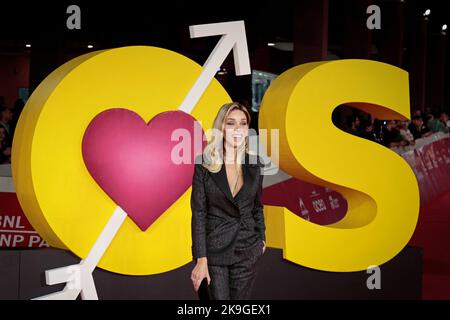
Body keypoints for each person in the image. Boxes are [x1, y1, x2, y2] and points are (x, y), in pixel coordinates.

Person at [190, 102, 266, 300]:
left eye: (243, 123)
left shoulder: (255, 164)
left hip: (248, 248)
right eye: (231, 123)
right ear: (221, 127)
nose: (237, 129)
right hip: (214, 249)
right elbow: (199, 213)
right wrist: (201, 259)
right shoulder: (204, 164)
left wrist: (262, 239)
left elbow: (257, 206)